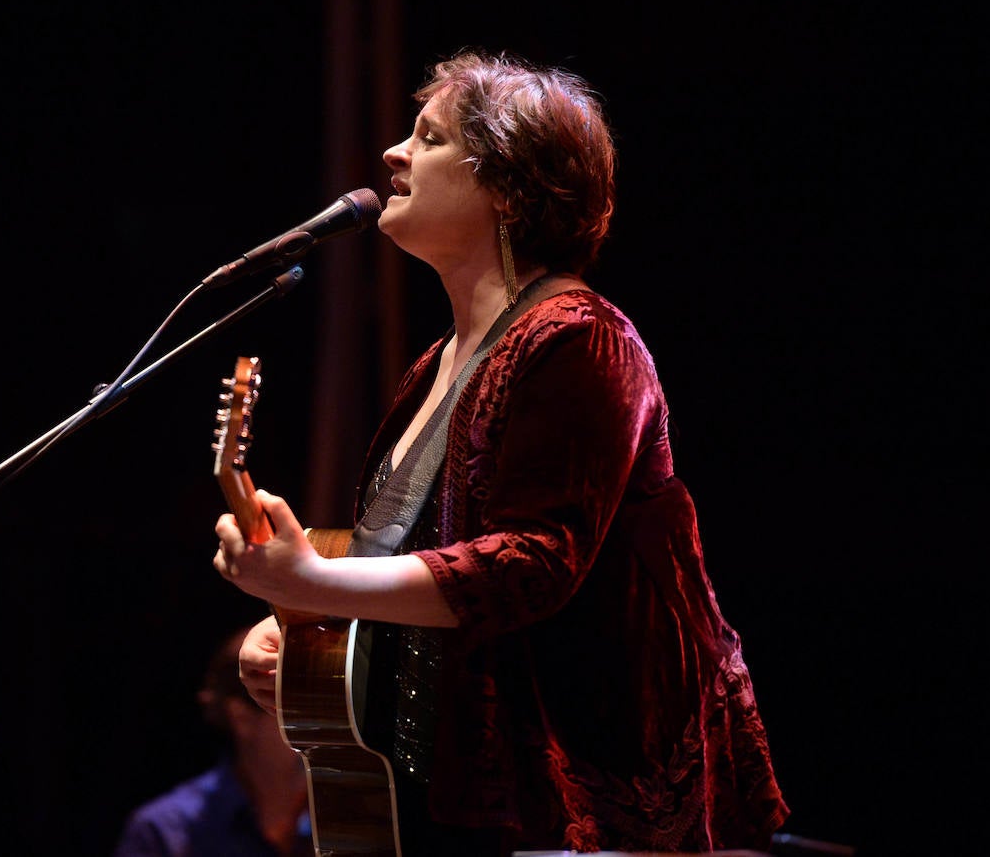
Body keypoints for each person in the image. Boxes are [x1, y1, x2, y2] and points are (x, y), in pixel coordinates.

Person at [212, 48, 790, 855]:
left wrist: (318, 579)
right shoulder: (436, 365)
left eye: (429, 137)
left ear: (509, 188)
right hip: (453, 803)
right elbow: (421, 567)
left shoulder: (584, 340)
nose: (392, 155)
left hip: (574, 806)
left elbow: (532, 563)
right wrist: (309, 622)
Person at [111, 625, 312, 856]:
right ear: (242, 718)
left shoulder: (344, 815)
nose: (315, 727)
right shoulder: (164, 830)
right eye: (295, 711)